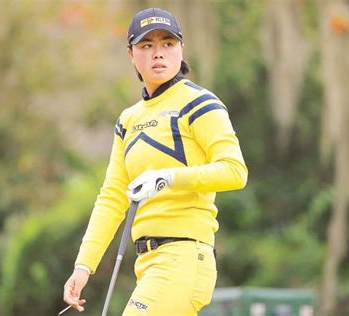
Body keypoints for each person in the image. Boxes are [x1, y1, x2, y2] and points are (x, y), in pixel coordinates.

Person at [63, 7, 248, 315]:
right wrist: (84, 265)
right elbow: (112, 197)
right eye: (146, 45)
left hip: (185, 257)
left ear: (181, 50)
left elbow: (234, 171)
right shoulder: (128, 120)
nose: (158, 53)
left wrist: (168, 178)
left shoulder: (199, 103)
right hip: (147, 263)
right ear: (131, 54)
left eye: (167, 44)